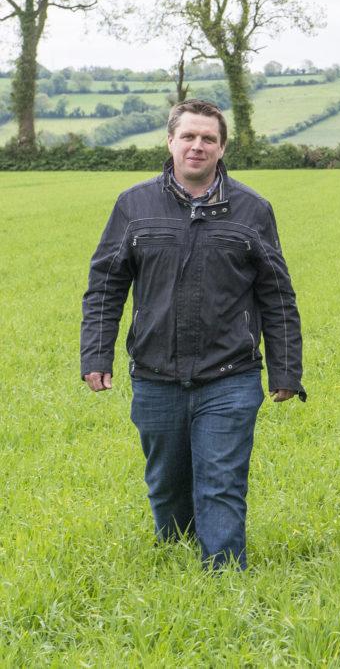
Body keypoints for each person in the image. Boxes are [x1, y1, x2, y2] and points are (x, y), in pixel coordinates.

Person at [80, 99, 305, 570]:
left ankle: (223, 578)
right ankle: (175, 556)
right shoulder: (133, 206)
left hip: (230, 374)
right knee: (165, 481)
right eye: (188, 137)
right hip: (155, 373)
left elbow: (277, 295)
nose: (197, 146)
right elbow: (105, 285)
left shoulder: (252, 210)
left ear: (222, 148)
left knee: (220, 480)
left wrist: (286, 370)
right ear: (171, 142)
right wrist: (96, 355)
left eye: (208, 138)